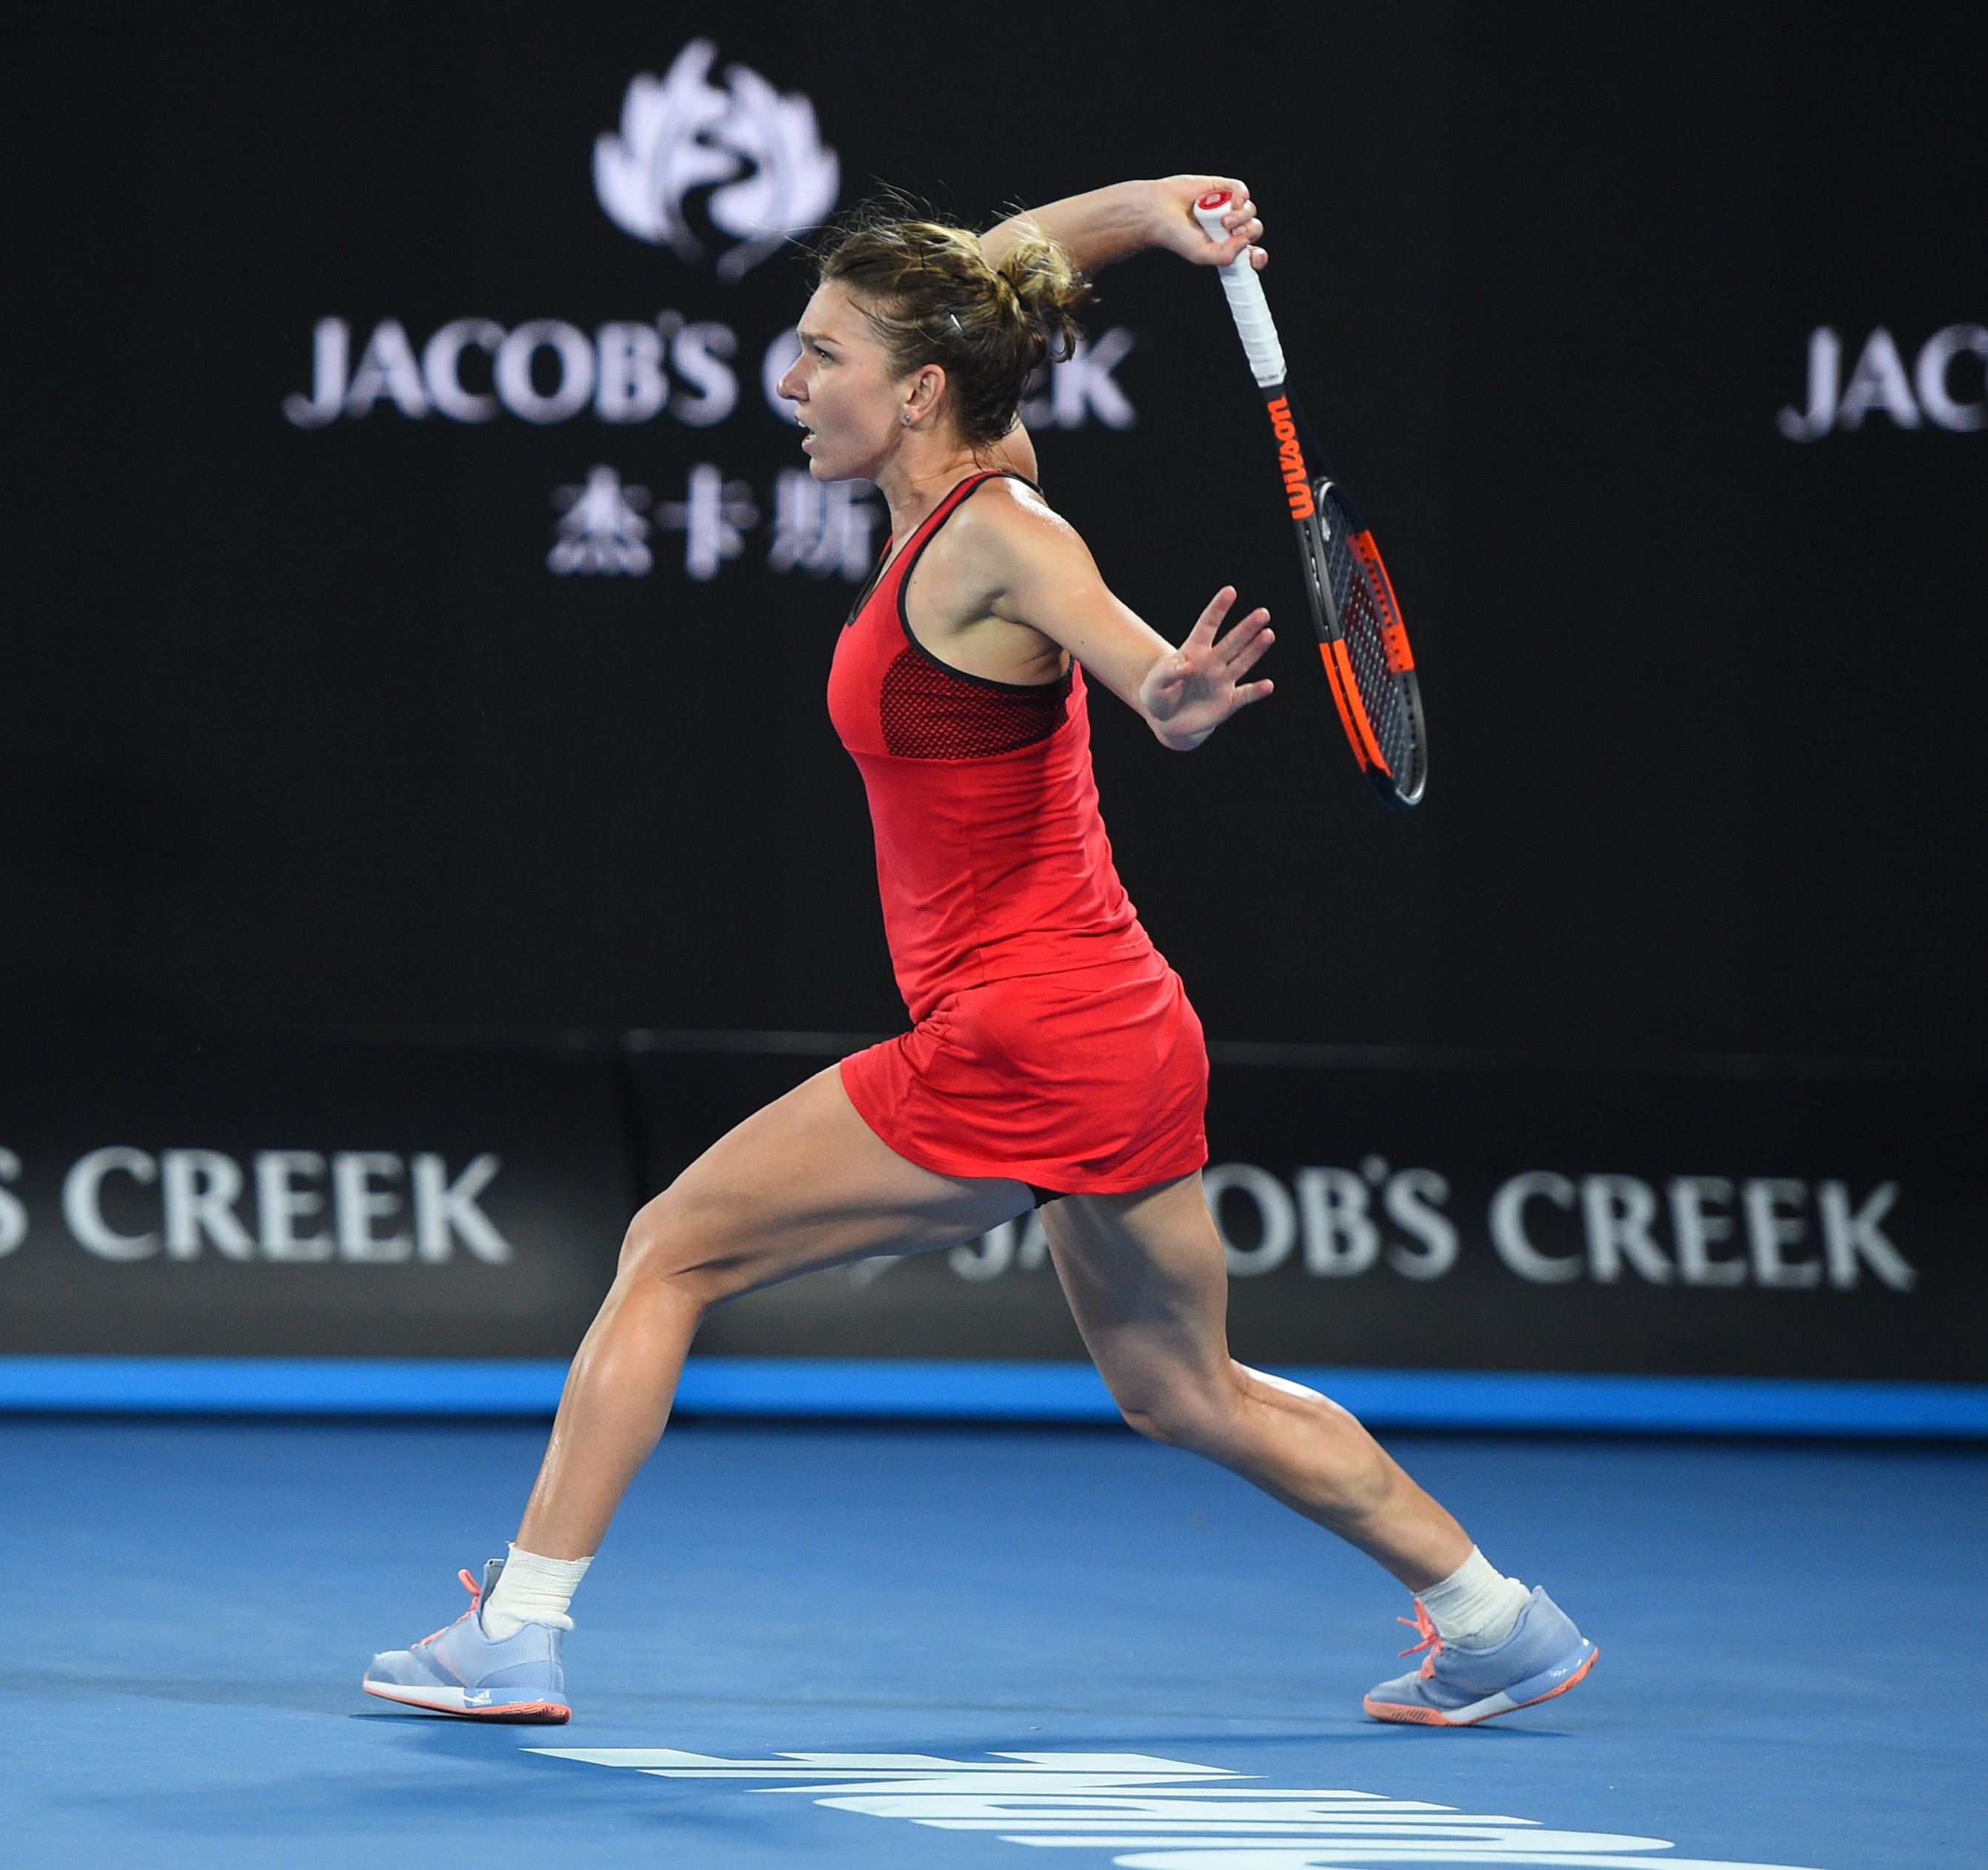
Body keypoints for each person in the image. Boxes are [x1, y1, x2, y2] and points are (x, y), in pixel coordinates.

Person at [362, 175, 1595, 1730]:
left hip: (1017, 1036)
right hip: (1125, 1029)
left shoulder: (1000, 533)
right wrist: (1154, 209)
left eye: (822, 353)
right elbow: (998, 273)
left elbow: (1129, 656)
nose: (790, 380)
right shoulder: (974, 460)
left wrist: (1170, 695)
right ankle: (1498, 1621)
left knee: (669, 1249)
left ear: (918, 392)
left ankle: (517, 1626)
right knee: (1183, 1389)